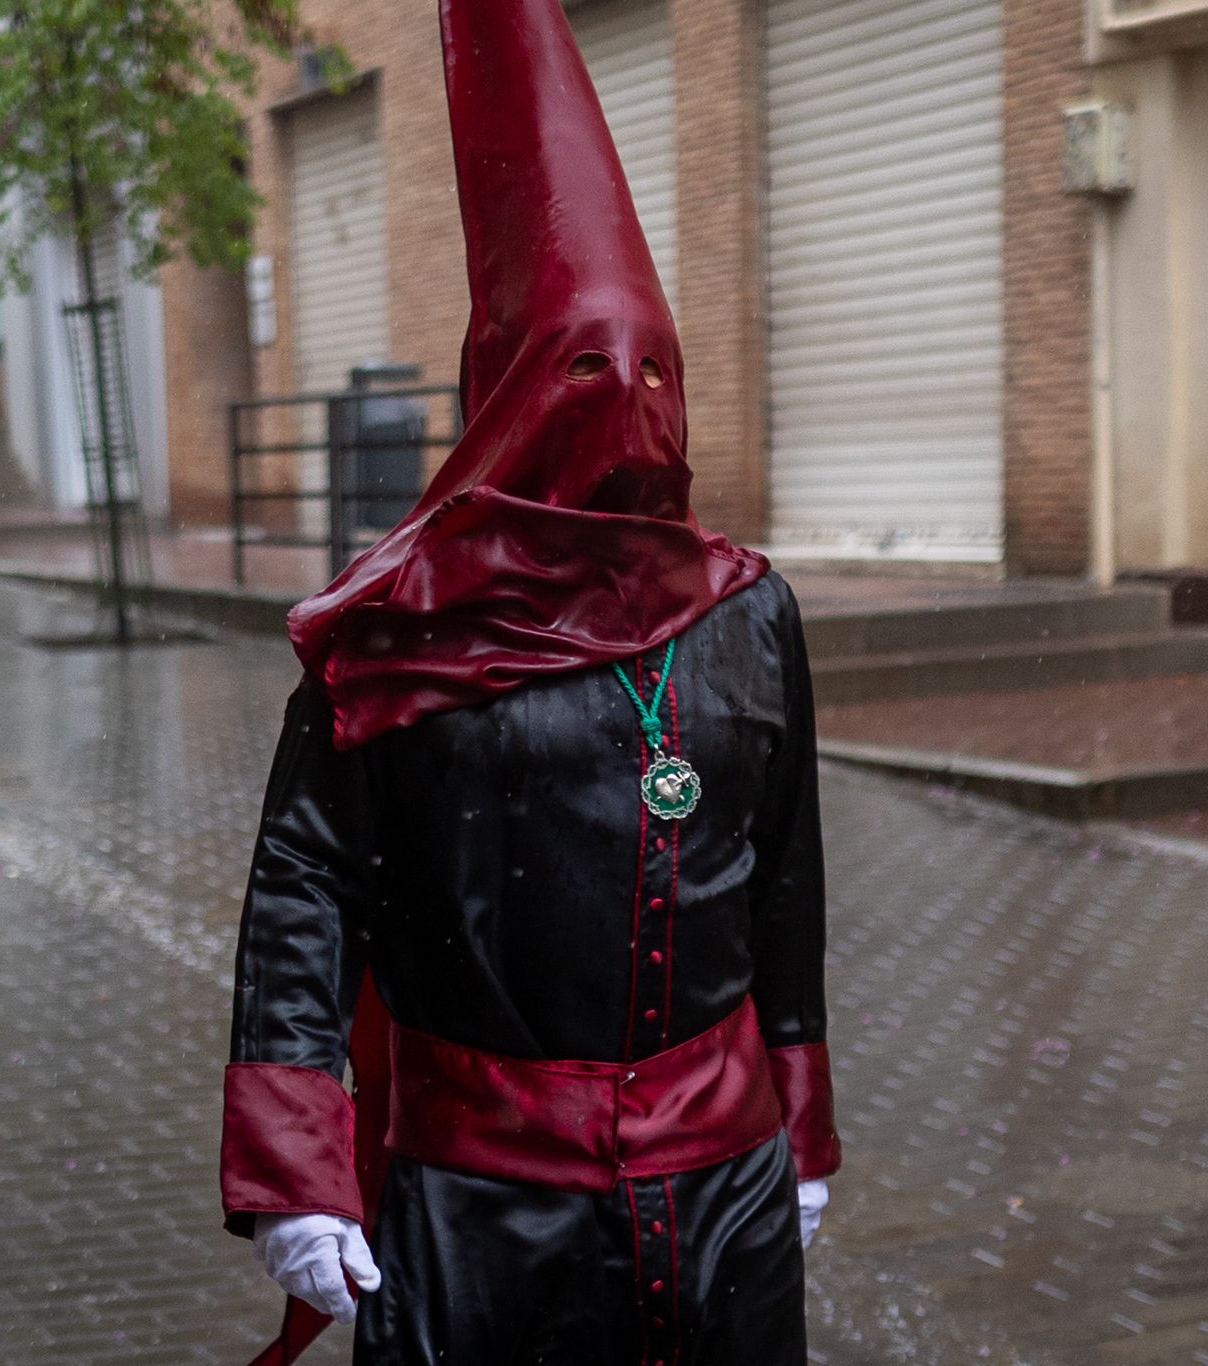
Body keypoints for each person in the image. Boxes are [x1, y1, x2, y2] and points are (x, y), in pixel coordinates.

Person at [217, 0, 839, 1361]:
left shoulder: (749, 610)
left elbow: (784, 877)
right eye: (583, 363)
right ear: (510, 387)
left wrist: (802, 1115)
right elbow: (306, 889)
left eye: (651, 365)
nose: (626, 395)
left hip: (722, 1185)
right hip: (484, 1211)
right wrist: (296, 1168)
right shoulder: (400, 632)